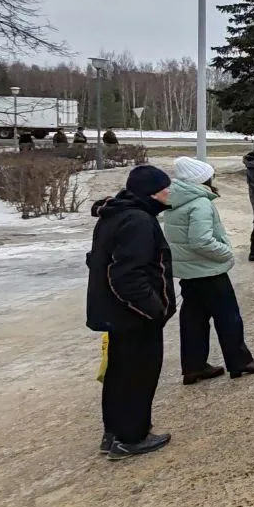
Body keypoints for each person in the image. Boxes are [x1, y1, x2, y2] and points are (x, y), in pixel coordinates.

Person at [86, 165, 177, 460]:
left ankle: (114, 432)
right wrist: (153, 308)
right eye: (164, 188)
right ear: (151, 193)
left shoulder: (116, 214)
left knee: (119, 372)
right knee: (138, 374)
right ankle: (131, 437)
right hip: (134, 314)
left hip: (116, 312)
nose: (169, 192)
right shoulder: (138, 220)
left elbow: (99, 260)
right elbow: (127, 274)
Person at [163, 157, 254, 385]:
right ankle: (239, 361)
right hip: (209, 271)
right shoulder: (199, 202)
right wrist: (225, 253)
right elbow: (201, 241)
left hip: (189, 272)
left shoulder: (175, 201)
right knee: (228, 317)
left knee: (193, 319)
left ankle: (193, 366)